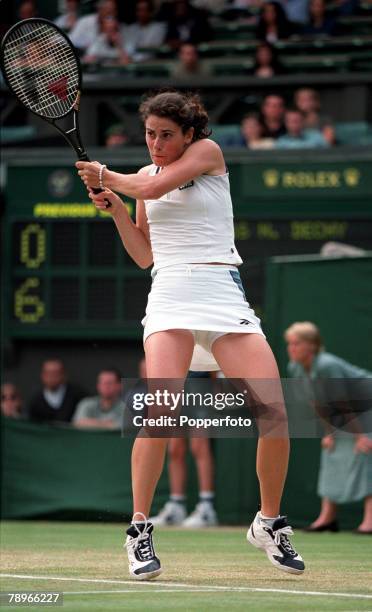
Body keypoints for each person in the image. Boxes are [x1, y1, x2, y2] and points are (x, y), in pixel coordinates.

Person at [76, 89, 305, 580]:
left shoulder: (209, 154)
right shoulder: (140, 180)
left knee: (276, 412)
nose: (156, 145)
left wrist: (104, 176)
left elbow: (156, 190)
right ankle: (139, 530)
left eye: (166, 136)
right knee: (160, 411)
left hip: (222, 293)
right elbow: (144, 255)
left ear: (189, 134)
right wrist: (117, 205)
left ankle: (268, 523)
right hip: (170, 297)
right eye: (149, 135)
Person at [285, 322, 372, 534]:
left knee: (365, 457)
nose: (292, 348)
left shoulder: (326, 365)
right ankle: (327, 518)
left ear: (312, 346)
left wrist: (361, 436)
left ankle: (369, 521)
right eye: (289, 344)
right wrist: (329, 433)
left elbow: (343, 402)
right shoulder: (294, 367)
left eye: (297, 343)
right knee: (331, 454)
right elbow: (317, 403)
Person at [150, 371, 218, 527]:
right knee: (174, 449)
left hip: (200, 386)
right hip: (176, 386)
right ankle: (176, 506)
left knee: (199, 446)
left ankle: (207, 508)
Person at [28, 359, 84, 423]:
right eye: (48, 373)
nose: (51, 377)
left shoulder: (77, 395)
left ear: (64, 375)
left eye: (55, 373)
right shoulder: (36, 399)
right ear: (42, 375)